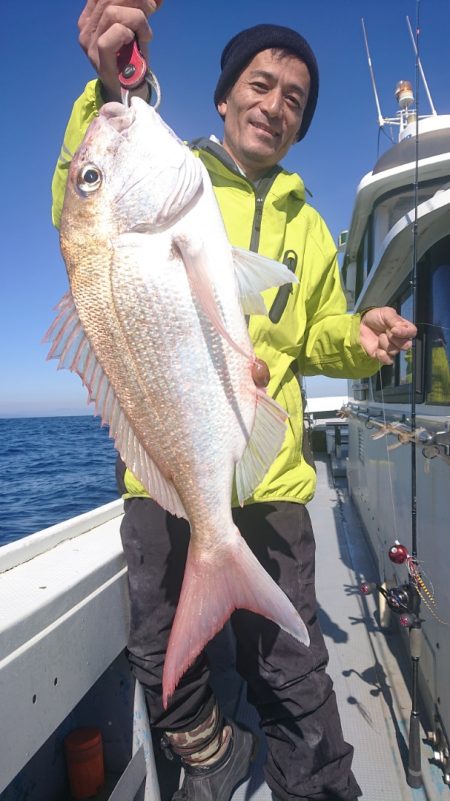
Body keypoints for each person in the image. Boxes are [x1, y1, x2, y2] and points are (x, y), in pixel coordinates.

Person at [51, 3, 417, 800]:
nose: (275, 104)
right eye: (260, 84)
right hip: (166, 474)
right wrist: (107, 80)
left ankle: (315, 784)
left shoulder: (311, 227)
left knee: (294, 666)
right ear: (223, 98)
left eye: (295, 97)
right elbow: (82, 207)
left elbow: (315, 327)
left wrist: (356, 335)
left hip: (273, 470)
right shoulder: (175, 172)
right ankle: (212, 755)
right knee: (159, 655)